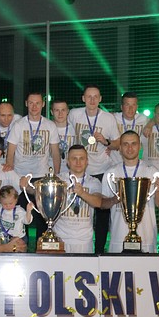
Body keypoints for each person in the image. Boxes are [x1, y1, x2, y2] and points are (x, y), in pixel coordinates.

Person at [67, 85, 120, 254]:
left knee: (102, 212)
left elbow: (117, 143)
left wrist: (105, 142)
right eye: (89, 96)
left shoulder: (108, 118)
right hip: (80, 170)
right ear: (83, 98)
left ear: (100, 99)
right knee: (79, 210)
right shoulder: (74, 114)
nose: (92, 100)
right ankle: (75, 241)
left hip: (101, 169)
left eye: (95, 96)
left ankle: (99, 250)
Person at [6, 91, 61, 240]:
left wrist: (56, 176)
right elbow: (10, 151)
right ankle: (19, 248)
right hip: (21, 177)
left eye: (37, 103)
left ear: (43, 104)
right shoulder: (19, 125)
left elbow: (55, 153)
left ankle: (40, 249)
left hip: (41, 178)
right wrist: (11, 175)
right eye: (31, 103)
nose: (34, 106)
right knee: (19, 219)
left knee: (43, 220)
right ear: (26, 104)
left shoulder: (50, 125)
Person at [101, 131, 159, 253]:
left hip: (146, 240)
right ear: (120, 148)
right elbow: (103, 205)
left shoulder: (151, 171)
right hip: (118, 239)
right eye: (125, 144)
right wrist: (114, 199)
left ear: (140, 146)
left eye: (133, 144)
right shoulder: (111, 173)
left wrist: (158, 191)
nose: (130, 148)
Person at [54, 145, 103, 253]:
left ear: (87, 161)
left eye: (82, 158)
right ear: (68, 162)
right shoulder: (58, 180)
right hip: (60, 238)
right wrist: (28, 187)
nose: (78, 162)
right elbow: (39, 193)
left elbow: (98, 202)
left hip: (84, 241)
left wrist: (82, 193)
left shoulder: (93, 182)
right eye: (74, 158)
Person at [111, 91, 149, 163]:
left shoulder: (143, 119)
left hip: (136, 164)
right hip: (115, 164)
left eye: (133, 105)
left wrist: (149, 125)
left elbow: (157, 118)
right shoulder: (113, 118)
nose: (130, 108)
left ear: (137, 107)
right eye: (127, 105)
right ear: (121, 107)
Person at [51, 99, 76, 170]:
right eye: (57, 110)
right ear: (52, 112)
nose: (60, 114)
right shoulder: (47, 128)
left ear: (68, 111)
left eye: (63, 110)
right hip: (50, 171)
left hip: (70, 171)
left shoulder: (75, 129)